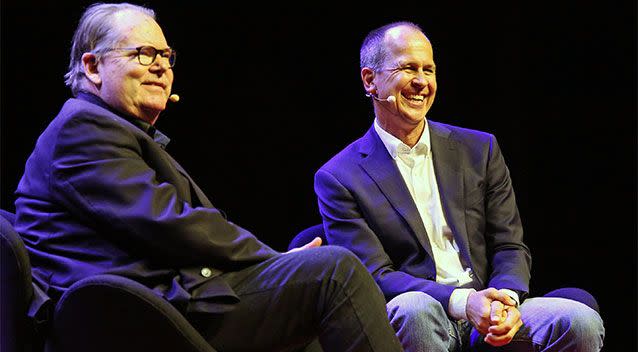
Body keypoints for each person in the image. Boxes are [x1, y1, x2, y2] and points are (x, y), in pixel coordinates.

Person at [14, 3, 404, 351]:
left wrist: (271, 263)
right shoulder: (83, 129)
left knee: (312, 282)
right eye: (144, 54)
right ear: (92, 67)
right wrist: (269, 258)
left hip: (170, 297)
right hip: (145, 315)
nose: (162, 67)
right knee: (335, 272)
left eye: (167, 56)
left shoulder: (110, 129)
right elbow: (168, 224)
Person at [314, 21, 605, 351]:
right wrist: (464, 302)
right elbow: (375, 276)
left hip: (491, 306)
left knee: (579, 320)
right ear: (370, 80)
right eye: (409, 68)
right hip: (425, 313)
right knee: (414, 310)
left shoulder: (479, 149)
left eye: (429, 69)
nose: (422, 82)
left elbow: (509, 245)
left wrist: (504, 301)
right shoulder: (339, 176)